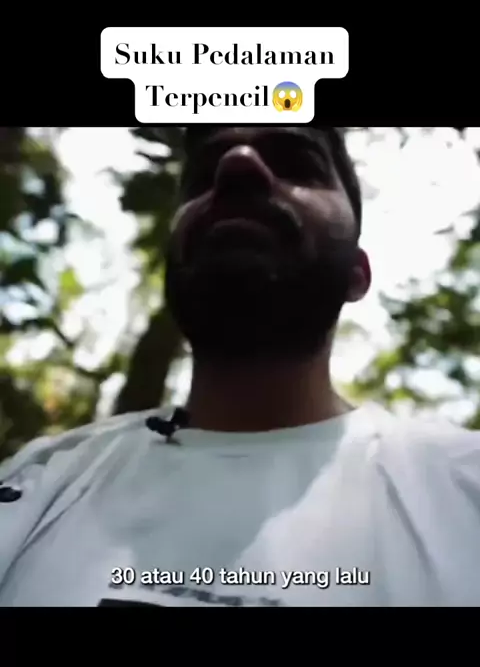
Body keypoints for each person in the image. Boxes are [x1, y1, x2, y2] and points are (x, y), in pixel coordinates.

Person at [1, 125, 479, 607]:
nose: (238, 163)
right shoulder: (39, 480)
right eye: (203, 175)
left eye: (297, 164)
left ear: (357, 274)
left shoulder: (463, 488)